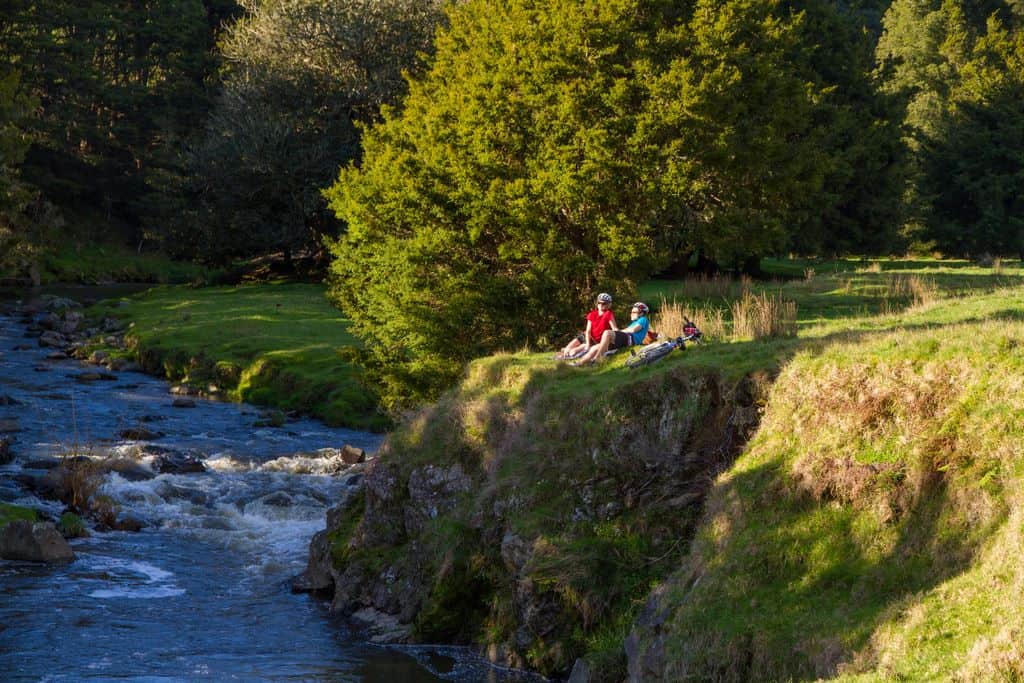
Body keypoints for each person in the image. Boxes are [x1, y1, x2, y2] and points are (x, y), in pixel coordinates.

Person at [573, 301, 650, 366]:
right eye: (631, 312)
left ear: (641, 313)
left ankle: (597, 359)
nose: (631, 313)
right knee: (595, 348)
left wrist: (618, 331)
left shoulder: (643, 319)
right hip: (625, 339)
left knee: (607, 332)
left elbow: (633, 330)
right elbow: (628, 330)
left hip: (630, 339)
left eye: (634, 312)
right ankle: (579, 363)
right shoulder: (634, 322)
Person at [556, 293, 617, 360]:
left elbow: (614, 328)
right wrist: (587, 343)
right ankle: (564, 351)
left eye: (604, 303)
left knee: (573, 352)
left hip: (595, 341)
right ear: (597, 303)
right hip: (586, 336)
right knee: (568, 349)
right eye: (599, 303)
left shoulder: (608, 314)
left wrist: (621, 334)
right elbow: (588, 331)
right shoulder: (592, 314)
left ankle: (568, 353)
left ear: (609, 304)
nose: (601, 305)